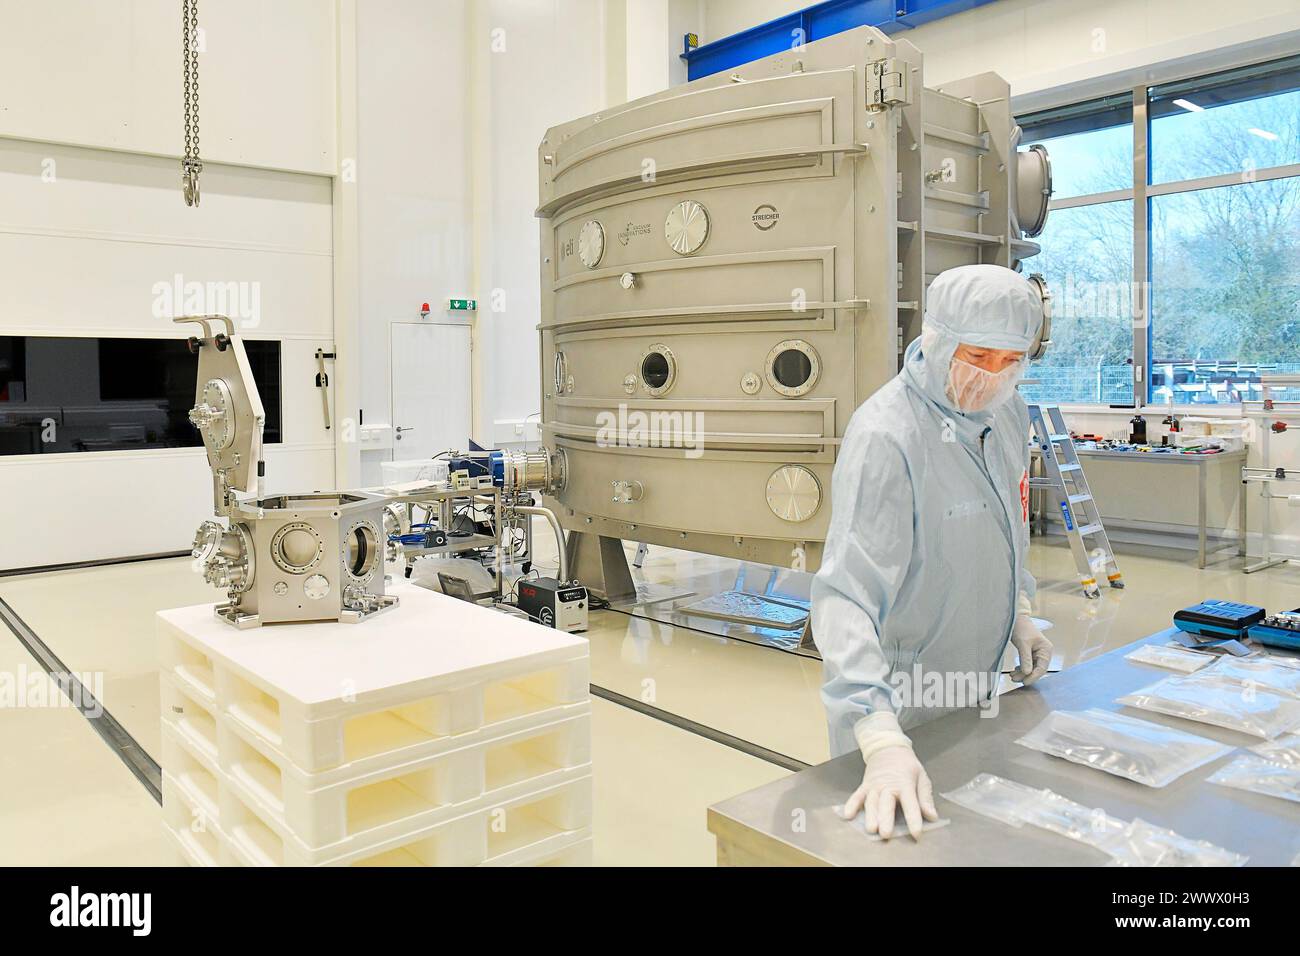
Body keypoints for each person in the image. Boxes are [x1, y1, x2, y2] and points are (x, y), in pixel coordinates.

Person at [811, 263, 1053, 841]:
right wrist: (880, 738)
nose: (991, 377)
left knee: (974, 841)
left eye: (1008, 361)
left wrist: (1019, 614)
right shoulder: (886, 436)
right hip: (898, 704)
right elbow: (846, 599)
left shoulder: (1007, 413)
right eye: (977, 356)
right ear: (940, 339)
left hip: (977, 689)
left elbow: (1007, 527)